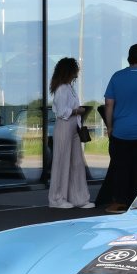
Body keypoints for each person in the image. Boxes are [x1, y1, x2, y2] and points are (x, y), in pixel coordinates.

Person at [95, 43, 137, 213]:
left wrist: (109, 127)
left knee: (121, 169)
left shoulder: (116, 77)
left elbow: (108, 104)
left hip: (121, 133)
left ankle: (119, 202)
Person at [46, 57, 94, 210]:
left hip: (73, 126)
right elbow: (62, 112)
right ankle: (57, 199)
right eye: (75, 70)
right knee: (62, 162)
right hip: (64, 126)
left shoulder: (68, 88)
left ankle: (79, 198)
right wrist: (77, 111)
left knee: (76, 163)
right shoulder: (62, 89)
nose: (77, 73)